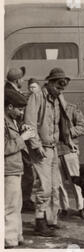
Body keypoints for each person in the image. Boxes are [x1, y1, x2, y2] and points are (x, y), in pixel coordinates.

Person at [24, 67, 71, 237]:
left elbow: (61, 123)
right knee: (43, 187)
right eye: (58, 87)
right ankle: (39, 222)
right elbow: (29, 124)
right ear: (50, 83)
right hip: (41, 149)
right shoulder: (36, 97)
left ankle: (51, 220)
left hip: (53, 148)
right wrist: (37, 146)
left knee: (54, 186)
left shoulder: (57, 98)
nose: (60, 91)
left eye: (62, 88)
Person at [4, 90, 35, 248]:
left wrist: (21, 129)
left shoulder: (10, 119)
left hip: (14, 169)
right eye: (19, 109)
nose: (21, 112)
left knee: (16, 205)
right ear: (9, 107)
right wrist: (22, 138)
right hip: (8, 170)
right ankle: (9, 240)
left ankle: (17, 236)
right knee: (9, 206)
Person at [5, 67, 35, 213]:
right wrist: (22, 136)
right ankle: (25, 200)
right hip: (13, 145)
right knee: (26, 170)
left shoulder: (10, 91)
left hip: (16, 135)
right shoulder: (11, 93)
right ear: (18, 80)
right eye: (22, 78)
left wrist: (21, 126)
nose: (23, 80)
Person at [56, 99, 84, 220]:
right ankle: (64, 207)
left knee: (76, 181)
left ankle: (81, 207)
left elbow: (83, 127)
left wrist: (68, 132)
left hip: (69, 149)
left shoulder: (71, 108)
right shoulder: (48, 109)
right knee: (59, 183)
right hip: (54, 150)